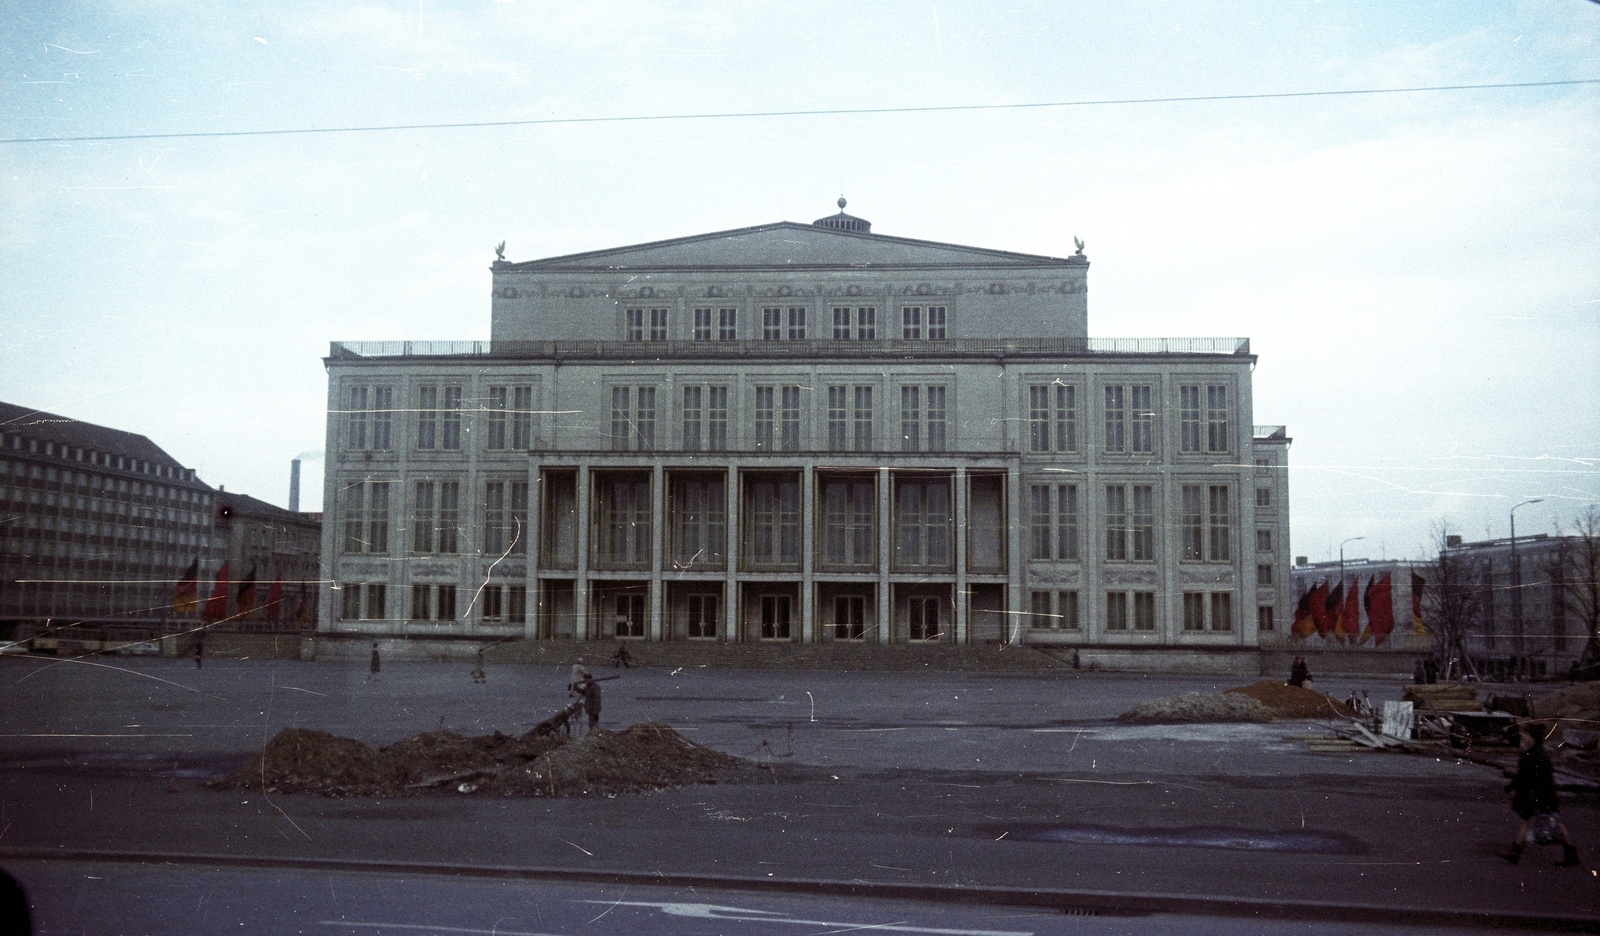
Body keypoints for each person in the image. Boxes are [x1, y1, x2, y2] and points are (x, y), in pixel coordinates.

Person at [1498, 725, 1582, 867]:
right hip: (1546, 793)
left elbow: (1523, 777)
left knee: (1534, 820)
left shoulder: (1530, 756)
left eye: (1526, 735)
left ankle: (1516, 851)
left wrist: (1511, 787)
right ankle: (1570, 853)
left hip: (1538, 794)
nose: (1524, 737)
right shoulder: (1541, 754)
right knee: (1549, 821)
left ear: (1531, 738)